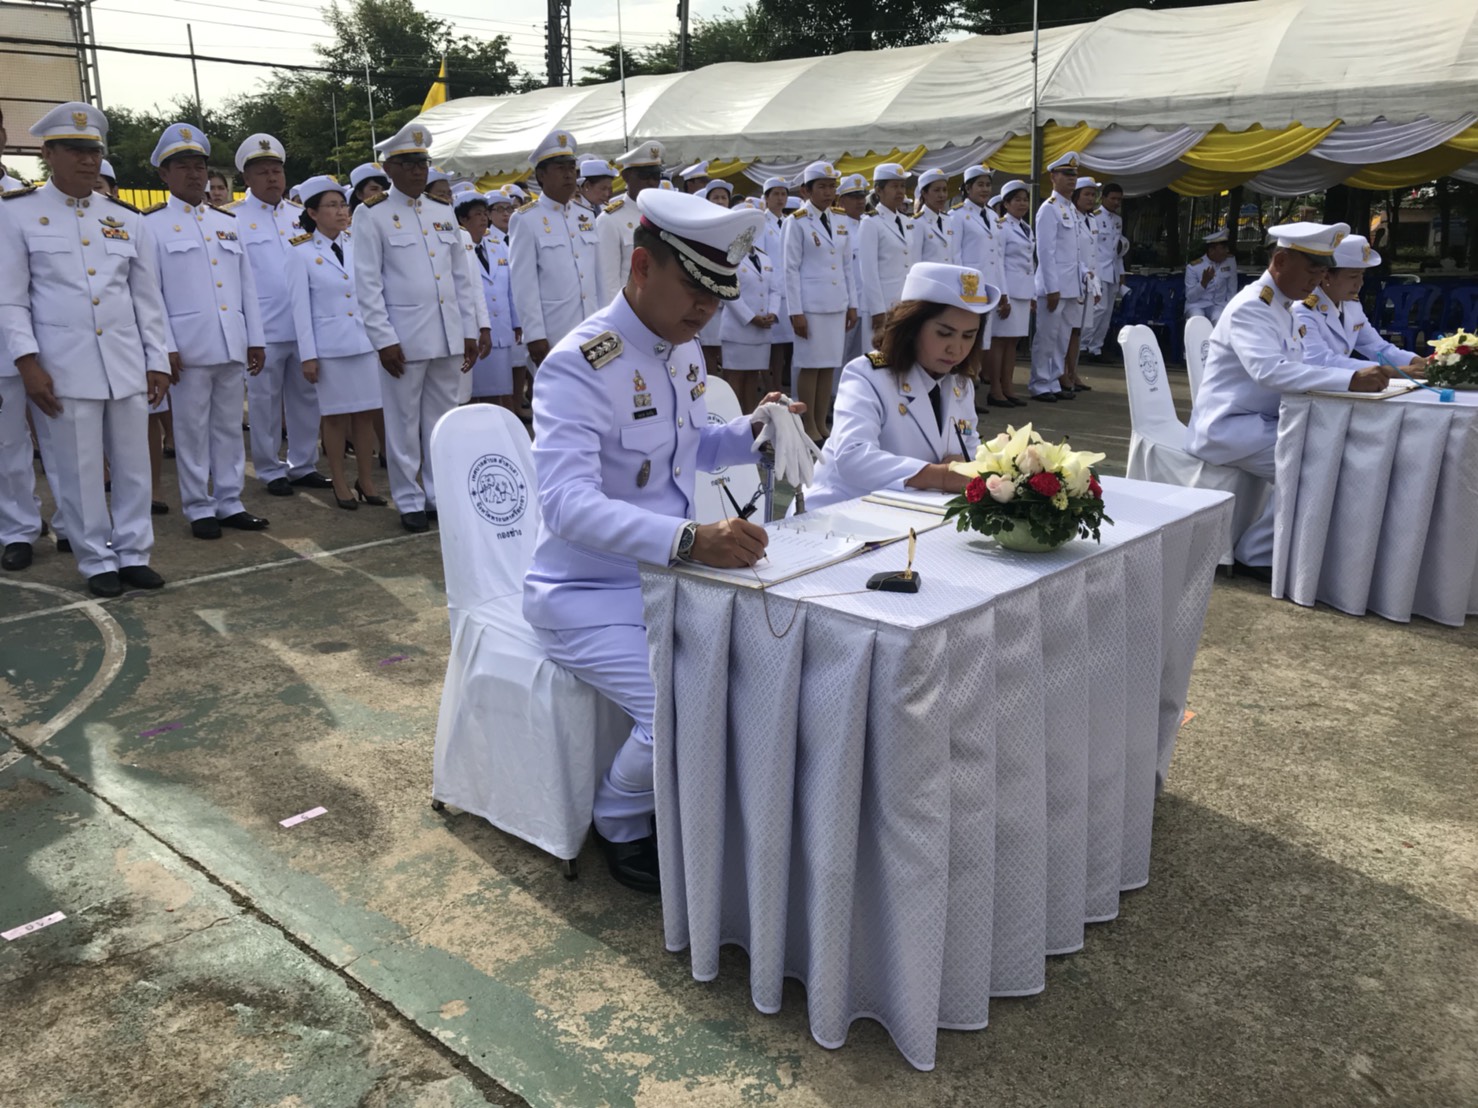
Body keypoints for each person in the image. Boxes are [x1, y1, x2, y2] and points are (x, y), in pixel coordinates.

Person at [523, 189, 809, 893]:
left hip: (666, 581)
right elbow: (565, 504)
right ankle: (619, 818)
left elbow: (687, 448)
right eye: (694, 290)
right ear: (643, 266)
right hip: (586, 593)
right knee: (679, 704)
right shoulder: (580, 363)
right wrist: (689, 539)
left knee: (767, 667)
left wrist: (752, 429)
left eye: (718, 296)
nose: (706, 309)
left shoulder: (680, 347)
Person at [0, 102, 171, 595]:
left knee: (134, 466)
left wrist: (157, 358)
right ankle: (96, 559)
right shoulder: (17, 214)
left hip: (125, 363)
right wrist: (28, 363)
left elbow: (147, 299)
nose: (88, 160)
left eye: (93, 151)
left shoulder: (125, 218)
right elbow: (11, 299)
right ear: (48, 154)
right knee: (79, 471)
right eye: (75, 150)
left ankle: (134, 552)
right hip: (63, 366)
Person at [1186, 222, 1396, 578]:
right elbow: (1270, 372)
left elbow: (1300, 368)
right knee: (1321, 463)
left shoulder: (1282, 306)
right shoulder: (1252, 307)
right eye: (1312, 270)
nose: (1317, 280)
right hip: (1230, 428)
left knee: (1340, 451)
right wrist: (1350, 379)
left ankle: (1288, 548)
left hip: (1264, 422)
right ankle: (1258, 553)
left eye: (1322, 272)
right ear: (1281, 261)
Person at [352, 121, 482, 533]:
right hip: (404, 339)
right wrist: (383, 339)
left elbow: (461, 279)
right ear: (388, 168)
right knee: (403, 423)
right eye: (407, 163)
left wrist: (469, 330)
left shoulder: (443, 211)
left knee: (442, 423)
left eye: (422, 163)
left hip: (446, 335)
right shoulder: (371, 213)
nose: (417, 170)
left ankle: (437, 495)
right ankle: (408, 498)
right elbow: (367, 283)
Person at [145, 122, 270, 540]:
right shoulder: (152, 225)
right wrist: (165, 346)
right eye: (183, 166)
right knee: (191, 431)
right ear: (164, 174)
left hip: (231, 341)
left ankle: (230, 500)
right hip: (188, 349)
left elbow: (246, 285)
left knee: (229, 427)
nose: (194, 174)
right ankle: (199, 506)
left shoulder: (225, 221)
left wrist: (255, 338)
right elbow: (151, 294)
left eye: (198, 166)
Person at [802, 263, 995, 510]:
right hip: (840, 512)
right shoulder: (867, 375)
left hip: (914, 512)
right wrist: (942, 476)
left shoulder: (959, 383)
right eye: (944, 333)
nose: (956, 349)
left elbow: (970, 450)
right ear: (912, 327)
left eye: (968, 336)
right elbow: (852, 458)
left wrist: (965, 463)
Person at [228, 133, 330, 497]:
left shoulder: (301, 216)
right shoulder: (232, 217)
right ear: (247, 178)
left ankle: (303, 464)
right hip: (263, 329)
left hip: (303, 326)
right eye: (262, 172)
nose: (272, 178)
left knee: (306, 399)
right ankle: (269, 468)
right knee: (264, 402)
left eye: (276, 171)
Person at [284, 175, 388, 511]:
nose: (342, 211)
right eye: (332, 206)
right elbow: (301, 310)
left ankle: (366, 480)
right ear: (313, 213)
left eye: (343, 204)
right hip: (329, 349)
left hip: (364, 342)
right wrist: (308, 356)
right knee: (335, 418)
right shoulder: (300, 252)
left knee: (365, 415)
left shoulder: (358, 245)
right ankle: (340, 482)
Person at [508, 130, 601, 367]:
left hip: (592, 327)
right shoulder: (526, 219)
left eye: (571, 168)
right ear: (541, 175)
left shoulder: (586, 215)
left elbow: (597, 275)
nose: (568, 174)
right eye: (560, 168)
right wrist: (534, 334)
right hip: (554, 331)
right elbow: (524, 283)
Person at [783, 161, 859, 442]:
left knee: (829, 365)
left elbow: (847, 265)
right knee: (810, 364)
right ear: (806, 190)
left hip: (836, 303)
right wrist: (795, 311)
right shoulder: (797, 221)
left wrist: (852, 304)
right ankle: (807, 424)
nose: (828, 192)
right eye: (822, 187)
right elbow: (790, 269)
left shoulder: (840, 219)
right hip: (811, 306)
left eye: (832, 187)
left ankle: (820, 422)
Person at [1293, 234, 1425, 372]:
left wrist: (1418, 362)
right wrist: (1396, 371)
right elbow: (1320, 361)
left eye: (1362, 275)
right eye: (1353, 276)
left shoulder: (1351, 304)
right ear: (1326, 276)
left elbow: (1377, 347)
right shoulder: (1303, 311)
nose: (1360, 283)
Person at [453, 184, 521, 409]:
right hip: (472, 332)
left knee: (498, 392)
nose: (484, 219)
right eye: (477, 214)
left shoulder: (497, 246)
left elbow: (510, 288)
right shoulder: (456, 249)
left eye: (485, 214)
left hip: (499, 330)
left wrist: (516, 322)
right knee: (471, 396)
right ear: (463, 219)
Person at [1029, 151, 1085, 403]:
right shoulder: (1048, 209)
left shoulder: (1071, 209)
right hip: (1054, 286)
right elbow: (1045, 252)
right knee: (1047, 337)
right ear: (1053, 177)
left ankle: (1053, 380)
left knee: (1062, 338)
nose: (1072, 179)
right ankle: (1040, 383)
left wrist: (1081, 283)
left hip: (1070, 286)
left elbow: (1075, 252)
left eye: (1074, 174)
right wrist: (1052, 288)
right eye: (1066, 174)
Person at [954, 163, 1010, 410]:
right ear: (968, 188)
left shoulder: (992, 216)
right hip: (969, 290)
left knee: (982, 344)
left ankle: (972, 392)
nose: (985, 189)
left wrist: (1004, 292)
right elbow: (955, 256)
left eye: (988, 185)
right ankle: (963, 396)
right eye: (980, 185)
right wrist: (959, 292)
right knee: (967, 343)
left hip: (990, 290)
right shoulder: (958, 215)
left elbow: (998, 258)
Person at [719, 214, 781, 408]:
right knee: (735, 379)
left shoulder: (764, 257)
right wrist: (751, 317)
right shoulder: (730, 257)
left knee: (753, 379)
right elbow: (728, 292)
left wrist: (773, 313)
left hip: (761, 331)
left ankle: (749, 419)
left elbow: (774, 289)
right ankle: (733, 418)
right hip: (738, 330)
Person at [595, 139, 665, 308]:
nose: (652, 182)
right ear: (626, 177)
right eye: (644, 176)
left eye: (656, 176)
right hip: (631, 310)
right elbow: (608, 283)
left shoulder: (664, 216)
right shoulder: (610, 220)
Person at [857, 162, 919, 339]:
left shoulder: (906, 222)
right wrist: (877, 310)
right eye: (894, 186)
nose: (900, 191)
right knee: (880, 351)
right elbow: (868, 271)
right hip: (883, 304)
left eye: (902, 186)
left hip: (905, 302)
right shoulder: (870, 222)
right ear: (879, 190)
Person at [990, 179, 1033, 408]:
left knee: (1013, 342)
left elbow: (1030, 262)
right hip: (1008, 291)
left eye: (1025, 200)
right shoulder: (1001, 227)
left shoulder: (1025, 227)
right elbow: (998, 262)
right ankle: (995, 388)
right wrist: (1003, 295)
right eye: (1017, 200)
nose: (1022, 204)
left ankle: (1008, 386)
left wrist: (1032, 293)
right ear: (1006, 204)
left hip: (1023, 291)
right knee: (1000, 341)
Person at [1060, 176, 1102, 393]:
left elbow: (1095, 256)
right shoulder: (1070, 217)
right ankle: (1061, 372)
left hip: (1087, 282)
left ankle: (1073, 371)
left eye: (1093, 195)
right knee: (1067, 330)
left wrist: (1096, 286)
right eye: (1086, 194)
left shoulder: (1091, 220)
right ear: (1076, 195)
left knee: (1077, 330)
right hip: (1073, 280)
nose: (1090, 199)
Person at [757, 175, 795, 397]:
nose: (780, 199)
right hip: (770, 290)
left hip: (786, 290)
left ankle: (778, 385)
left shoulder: (789, 221)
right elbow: (760, 257)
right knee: (768, 343)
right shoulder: (762, 223)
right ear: (766, 198)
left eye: (783, 194)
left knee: (782, 344)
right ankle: (767, 385)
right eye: (776, 194)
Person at [1083, 182, 1125, 361]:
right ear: (1103, 198)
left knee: (1107, 312)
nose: (1116, 202)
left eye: (1119, 199)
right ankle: (1083, 345)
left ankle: (1096, 348)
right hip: (1098, 270)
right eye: (1113, 198)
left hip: (1112, 270)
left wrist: (1121, 273)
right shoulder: (1094, 217)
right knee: (1098, 309)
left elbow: (1117, 251)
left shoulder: (1118, 220)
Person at [695, 179, 733, 371]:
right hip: (708, 291)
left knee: (729, 351)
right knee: (709, 347)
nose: (720, 201)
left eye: (724, 197)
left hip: (732, 296)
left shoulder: (735, 224)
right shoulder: (701, 224)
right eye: (715, 197)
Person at [834, 174, 869, 369]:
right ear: (841, 201)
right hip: (846, 302)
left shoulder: (869, 224)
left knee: (861, 355)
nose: (860, 201)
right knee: (840, 354)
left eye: (862, 196)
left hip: (867, 302)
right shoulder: (836, 226)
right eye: (854, 197)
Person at [1185, 229, 1238, 324]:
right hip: (1197, 305)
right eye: (1223, 248)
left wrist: (1230, 309)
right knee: (1198, 321)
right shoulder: (1193, 267)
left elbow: (1232, 289)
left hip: (1218, 305)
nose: (1227, 251)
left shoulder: (1230, 261)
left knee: (1219, 320)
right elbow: (1190, 298)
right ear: (1211, 250)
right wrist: (1203, 283)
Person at [914, 167, 957, 264]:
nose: (942, 195)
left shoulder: (948, 220)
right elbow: (914, 261)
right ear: (924, 193)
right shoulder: (917, 223)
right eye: (936, 190)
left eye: (944, 190)